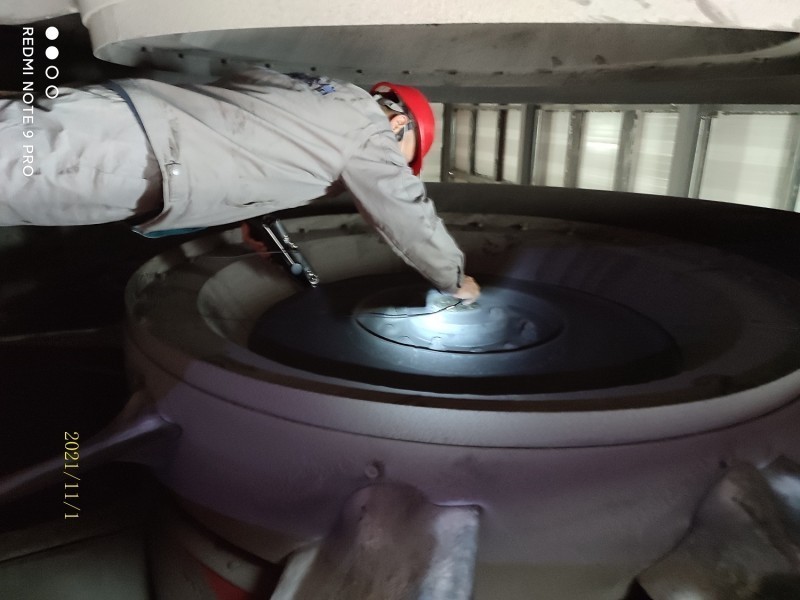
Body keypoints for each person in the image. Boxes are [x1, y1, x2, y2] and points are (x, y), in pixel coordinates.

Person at [0, 67, 480, 302]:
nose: (394, 164)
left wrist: (252, 211)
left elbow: (246, 119)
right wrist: (454, 279)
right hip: (129, 160)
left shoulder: (320, 89)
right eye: (403, 156)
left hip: (116, 115)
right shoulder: (371, 132)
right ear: (398, 125)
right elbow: (405, 211)